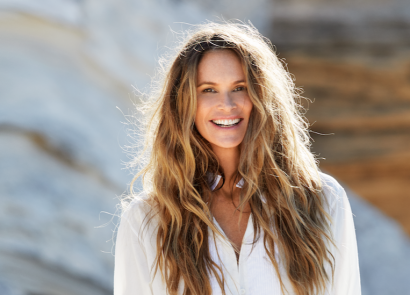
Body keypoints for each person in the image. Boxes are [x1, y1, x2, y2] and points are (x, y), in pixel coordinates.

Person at [114, 22, 361, 295]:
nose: (227, 104)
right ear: (183, 104)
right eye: (208, 90)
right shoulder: (146, 220)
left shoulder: (322, 200)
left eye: (240, 87)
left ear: (262, 96)